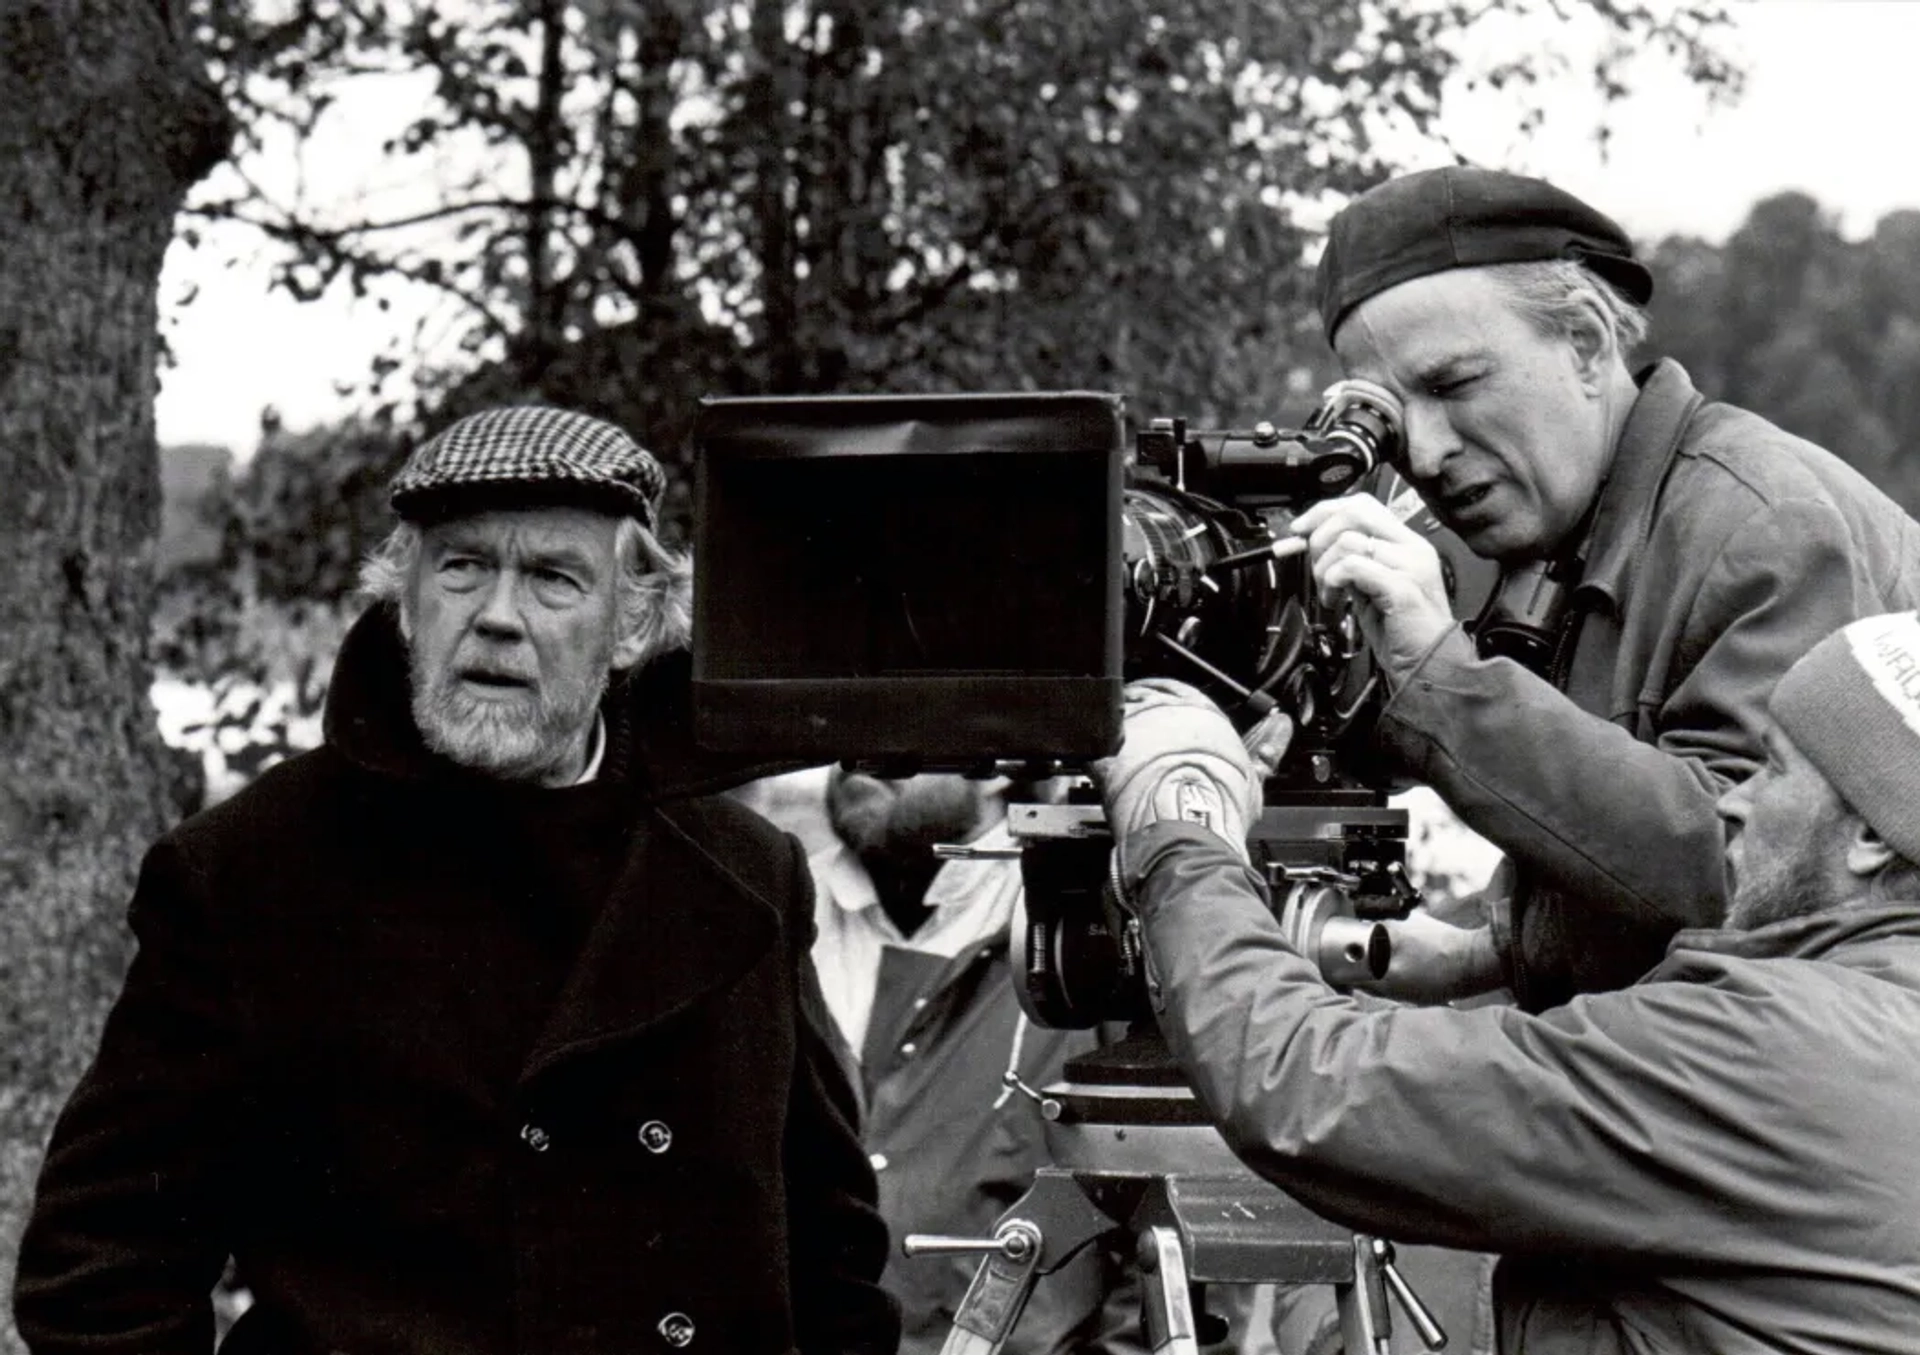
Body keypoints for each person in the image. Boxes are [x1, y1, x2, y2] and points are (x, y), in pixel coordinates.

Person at [13, 406, 899, 1355]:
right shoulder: (249, 872)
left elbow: (835, 1259)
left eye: (554, 578)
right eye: (461, 566)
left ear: (633, 622)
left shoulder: (750, 872)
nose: (498, 616)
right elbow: (100, 1270)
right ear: (406, 601)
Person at [1094, 624, 1920, 1351]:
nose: (1732, 804)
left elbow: (1305, 1082)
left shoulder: (1777, 1050)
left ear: (1869, 840)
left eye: (1772, 769)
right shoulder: (1874, 1025)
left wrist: (1181, 826)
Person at [1290, 165, 1920, 1012]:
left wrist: (1439, 680)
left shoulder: (1764, 526)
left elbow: (1751, 883)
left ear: (1586, 342)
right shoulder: (1570, 521)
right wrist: (1487, 952)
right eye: (1393, 418)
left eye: (1453, 384)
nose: (1429, 452)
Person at [804, 768, 1146, 1355]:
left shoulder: (1094, 931)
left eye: (901, 710)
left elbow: (1176, 1221)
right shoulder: (771, 906)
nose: (859, 757)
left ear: (997, 765)